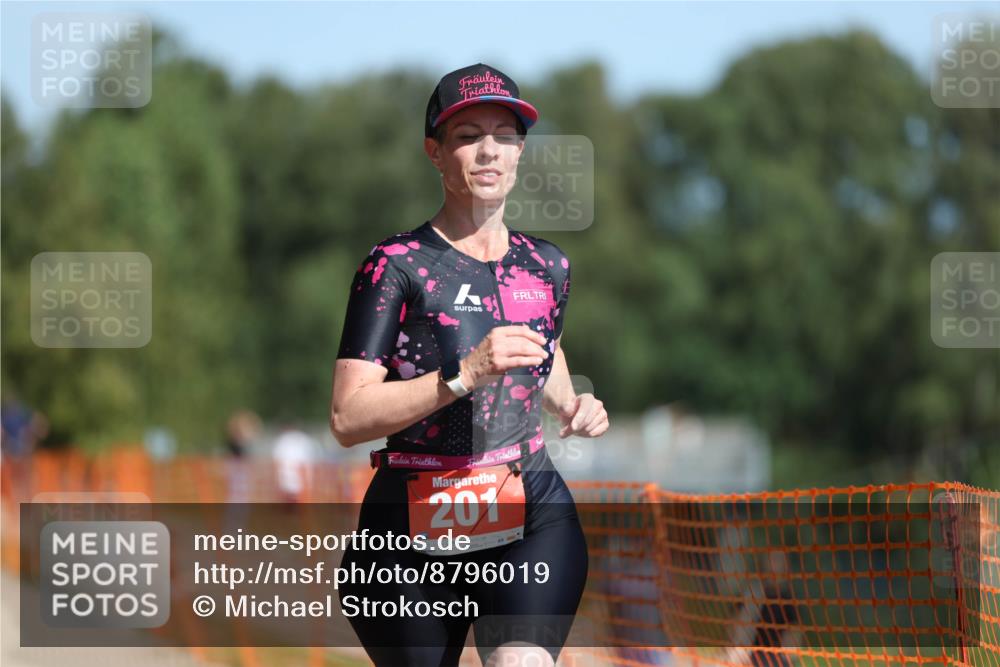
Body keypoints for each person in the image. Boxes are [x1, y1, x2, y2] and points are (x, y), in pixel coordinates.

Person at [330, 63, 609, 667]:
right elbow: (348, 417)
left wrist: (572, 402)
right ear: (434, 151)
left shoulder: (548, 266)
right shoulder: (394, 265)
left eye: (504, 135)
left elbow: (544, 346)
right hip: (408, 528)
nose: (488, 151)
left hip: (529, 507)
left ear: (519, 152)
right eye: (466, 135)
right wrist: (464, 374)